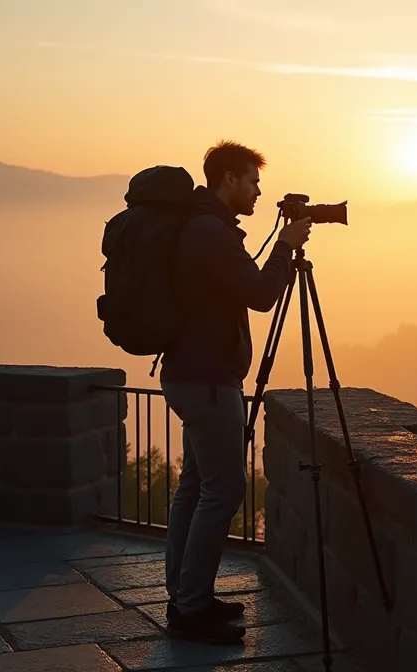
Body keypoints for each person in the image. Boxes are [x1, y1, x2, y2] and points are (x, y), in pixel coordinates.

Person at [157, 141, 312, 644]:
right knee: (223, 491)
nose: (258, 192)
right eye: (251, 182)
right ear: (227, 179)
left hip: (188, 373)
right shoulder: (211, 233)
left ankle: (185, 595)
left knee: (196, 487)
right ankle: (192, 607)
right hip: (207, 380)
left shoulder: (202, 227)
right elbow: (263, 295)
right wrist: (287, 245)